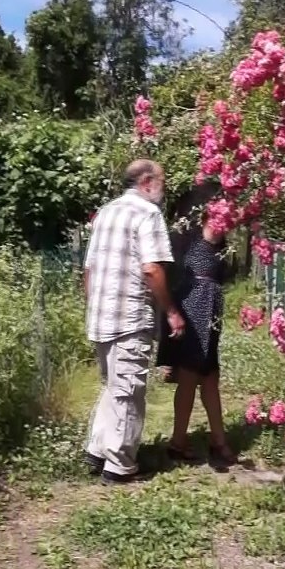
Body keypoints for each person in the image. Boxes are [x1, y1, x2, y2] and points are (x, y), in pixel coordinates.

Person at [82, 159, 185, 484]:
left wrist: (93, 304)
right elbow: (152, 269)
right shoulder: (147, 213)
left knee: (113, 386)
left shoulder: (106, 213)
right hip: (129, 316)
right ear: (146, 181)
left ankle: (97, 450)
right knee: (128, 390)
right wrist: (171, 311)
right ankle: (120, 464)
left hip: (101, 314)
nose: (163, 189)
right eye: (162, 182)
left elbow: (88, 270)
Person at [157, 183, 238, 467]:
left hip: (204, 308)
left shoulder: (202, 239)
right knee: (191, 376)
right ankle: (179, 442)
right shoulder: (200, 235)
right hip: (197, 308)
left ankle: (216, 440)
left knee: (209, 376)